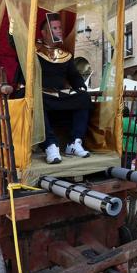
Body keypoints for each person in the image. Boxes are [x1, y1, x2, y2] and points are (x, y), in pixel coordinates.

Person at [37, 13, 92, 164]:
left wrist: (80, 87)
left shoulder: (65, 55)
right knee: (35, 99)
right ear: (44, 33)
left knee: (84, 97)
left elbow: (74, 76)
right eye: (54, 28)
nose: (59, 30)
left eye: (60, 27)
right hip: (40, 94)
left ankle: (74, 143)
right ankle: (50, 145)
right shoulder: (33, 51)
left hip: (59, 95)